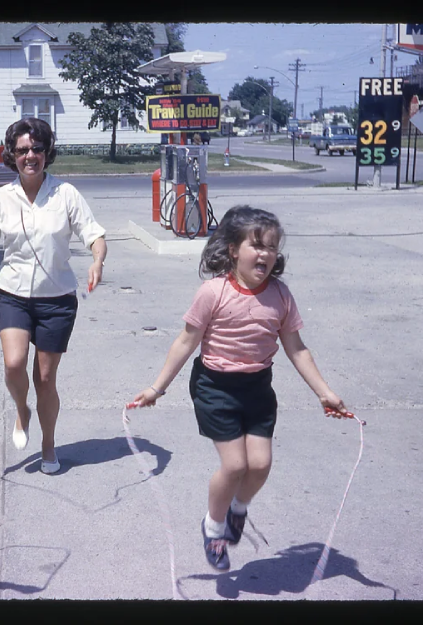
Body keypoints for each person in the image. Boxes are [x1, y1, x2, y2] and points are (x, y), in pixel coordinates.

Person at [132, 205, 348, 571]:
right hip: (215, 386)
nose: (265, 254)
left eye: (271, 247)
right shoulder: (212, 292)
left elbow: (296, 348)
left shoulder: (279, 295)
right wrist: (157, 388)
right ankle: (214, 528)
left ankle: (238, 509)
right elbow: (186, 342)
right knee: (234, 465)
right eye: (256, 245)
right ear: (234, 250)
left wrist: (324, 392)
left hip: (257, 387)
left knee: (260, 464)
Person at [0, 118, 106, 475]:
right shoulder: (1, 199)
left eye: (37, 149)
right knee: (14, 364)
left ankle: (47, 444)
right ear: (12, 155)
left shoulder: (65, 194)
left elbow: (94, 234)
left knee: (45, 380)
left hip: (57, 299)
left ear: (47, 152)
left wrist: (97, 261)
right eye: (23, 150)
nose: (31, 156)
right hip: (12, 293)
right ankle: (21, 409)